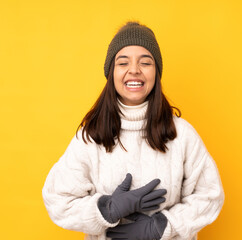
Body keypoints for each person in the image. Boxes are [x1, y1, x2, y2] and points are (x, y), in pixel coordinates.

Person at [42, 21, 225, 240]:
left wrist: (162, 226)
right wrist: (107, 209)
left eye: (145, 62)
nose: (134, 70)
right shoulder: (91, 137)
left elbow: (210, 196)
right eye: (123, 62)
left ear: (156, 72)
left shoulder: (181, 134)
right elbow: (57, 199)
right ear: (112, 72)